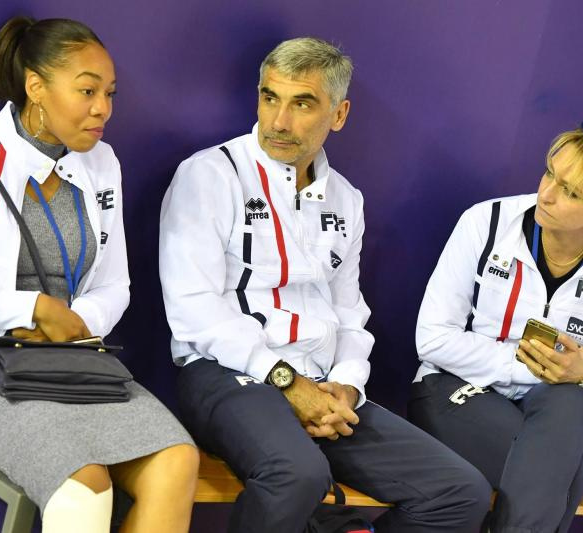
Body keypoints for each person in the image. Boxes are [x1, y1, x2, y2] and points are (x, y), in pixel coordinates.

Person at [159, 37, 490, 533]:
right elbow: (192, 309)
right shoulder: (209, 175)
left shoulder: (346, 199)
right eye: (270, 97)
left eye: (302, 104)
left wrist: (348, 385)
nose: (278, 121)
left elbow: (349, 313)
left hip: (321, 385)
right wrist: (286, 381)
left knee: (460, 492)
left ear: (339, 114)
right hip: (226, 374)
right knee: (298, 474)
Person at [0, 16, 198, 533]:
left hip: (69, 357)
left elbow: (115, 285)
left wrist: (71, 323)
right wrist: (30, 309)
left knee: (175, 461)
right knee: (84, 486)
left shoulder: (103, 164)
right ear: (36, 87)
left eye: (110, 93)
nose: (103, 109)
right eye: (87, 91)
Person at [407, 117, 583, 532]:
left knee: (571, 401)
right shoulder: (486, 222)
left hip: (553, 413)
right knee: (571, 473)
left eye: (570, 192)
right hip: (452, 391)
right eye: (549, 173)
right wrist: (548, 364)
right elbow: (432, 340)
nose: (546, 194)